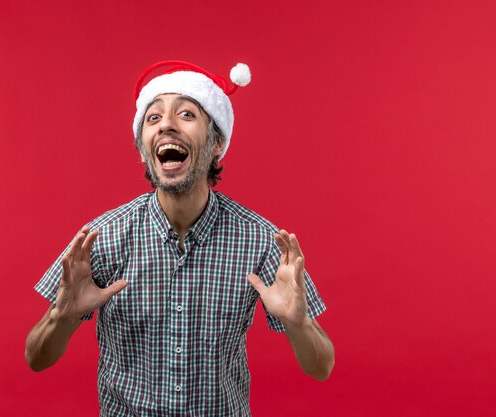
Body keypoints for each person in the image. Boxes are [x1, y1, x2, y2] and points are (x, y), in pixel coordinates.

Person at [25, 60, 335, 416]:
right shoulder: (102, 238)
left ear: (217, 142)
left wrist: (299, 324)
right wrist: (61, 318)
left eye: (186, 114)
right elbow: (36, 358)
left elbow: (321, 366)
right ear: (144, 148)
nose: (166, 124)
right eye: (153, 118)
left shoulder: (261, 241)